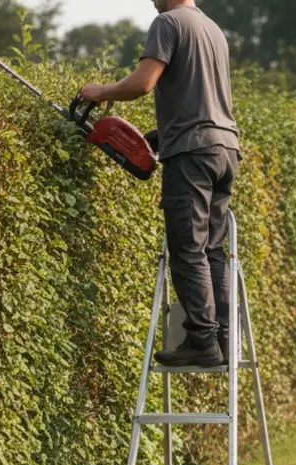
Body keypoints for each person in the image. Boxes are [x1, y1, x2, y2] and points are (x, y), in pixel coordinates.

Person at [79, 0, 240, 368]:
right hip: (225, 148)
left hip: (192, 153)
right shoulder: (213, 29)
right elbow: (201, 101)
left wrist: (98, 91)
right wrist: (157, 136)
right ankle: (224, 339)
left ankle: (201, 339)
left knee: (187, 248)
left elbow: (143, 83)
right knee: (213, 249)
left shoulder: (168, 23)